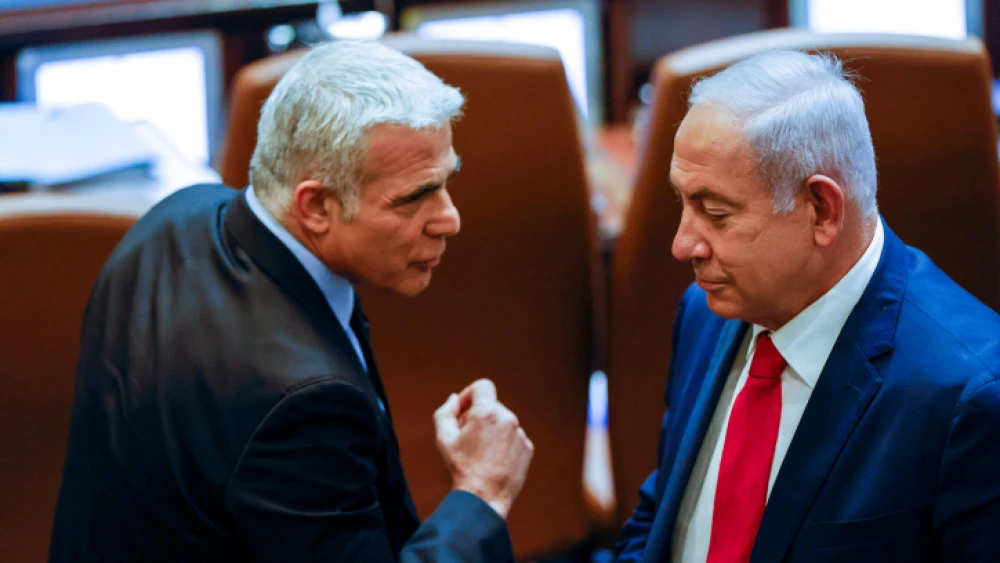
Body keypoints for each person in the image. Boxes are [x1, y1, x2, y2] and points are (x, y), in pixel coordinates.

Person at [49, 40, 534, 562]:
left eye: (446, 183)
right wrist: (482, 494)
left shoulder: (170, 220)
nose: (450, 219)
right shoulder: (301, 403)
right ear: (317, 206)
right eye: (415, 198)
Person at [615, 50, 1000, 562]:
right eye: (682, 203)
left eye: (715, 212)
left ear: (822, 210)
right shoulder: (705, 313)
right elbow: (660, 518)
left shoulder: (969, 396)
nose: (683, 245)